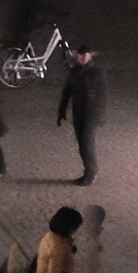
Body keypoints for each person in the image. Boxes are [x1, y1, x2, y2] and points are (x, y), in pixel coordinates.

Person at [54, 50, 101, 185]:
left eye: (85, 55)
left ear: (90, 55)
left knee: (87, 143)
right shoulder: (74, 71)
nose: (82, 57)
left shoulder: (96, 72)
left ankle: (91, 173)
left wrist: (100, 115)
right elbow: (67, 92)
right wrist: (62, 110)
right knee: (82, 143)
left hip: (91, 114)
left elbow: (102, 95)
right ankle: (89, 171)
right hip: (78, 112)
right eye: (80, 55)